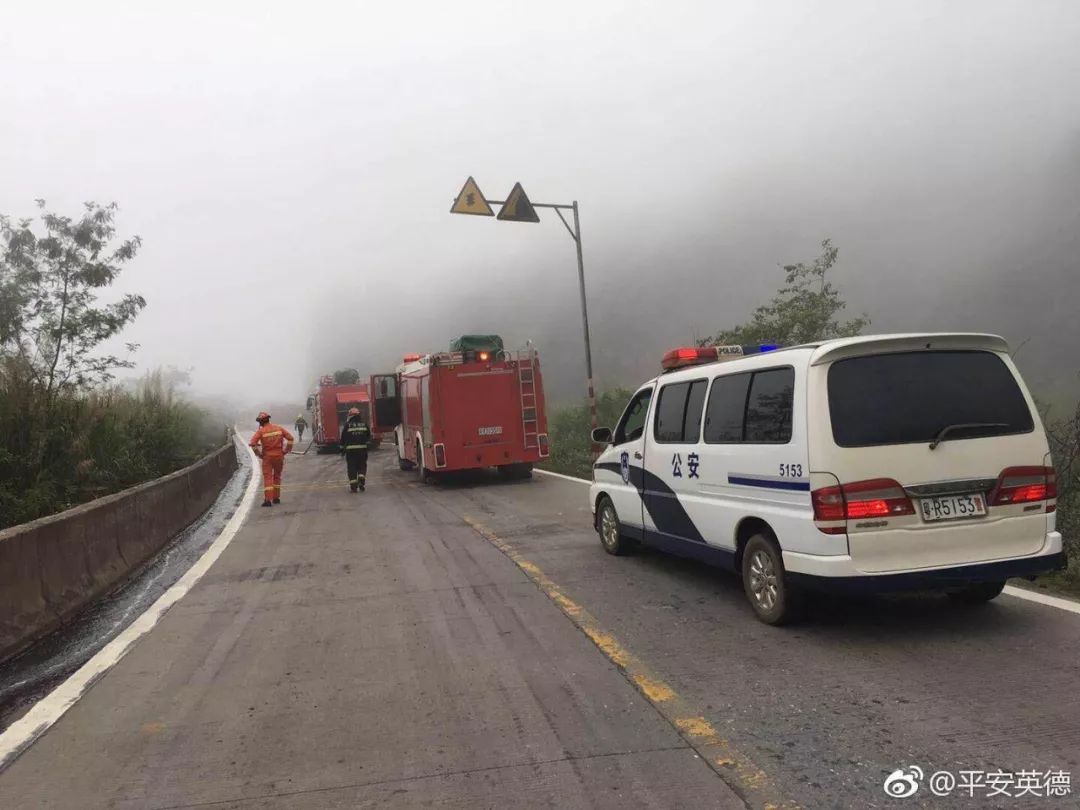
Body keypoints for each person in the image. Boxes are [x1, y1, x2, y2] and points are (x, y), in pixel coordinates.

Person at [250, 412, 294, 507]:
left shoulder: (261, 432)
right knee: (277, 476)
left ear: (261, 422)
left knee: (268, 477)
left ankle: (267, 500)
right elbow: (290, 438)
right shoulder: (279, 428)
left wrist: (259, 454)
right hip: (279, 456)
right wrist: (286, 450)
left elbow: (253, 443)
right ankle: (276, 498)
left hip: (267, 458)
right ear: (268, 419)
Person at [340, 407, 371, 492]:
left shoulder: (347, 425)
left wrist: (342, 450)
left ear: (351, 416)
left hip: (351, 452)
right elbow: (368, 437)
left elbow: (343, 438)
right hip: (362, 451)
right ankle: (361, 478)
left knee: (352, 468)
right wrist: (367, 446)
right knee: (362, 466)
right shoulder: (364, 424)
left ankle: (354, 487)